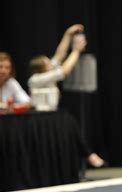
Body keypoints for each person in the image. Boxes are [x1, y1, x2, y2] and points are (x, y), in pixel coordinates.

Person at [27, 24, 105, 168]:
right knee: (69, 122)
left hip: (52, 116)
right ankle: (88, 154)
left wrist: (68, 34)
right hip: (40, 117)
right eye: (47, 63)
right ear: (40, 68)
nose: (51, 63)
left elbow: (60, 55)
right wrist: (76, 51)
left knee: (69, 121)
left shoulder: (47, 74)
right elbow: (64, 70)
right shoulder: (36, 79)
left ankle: (86, 155)